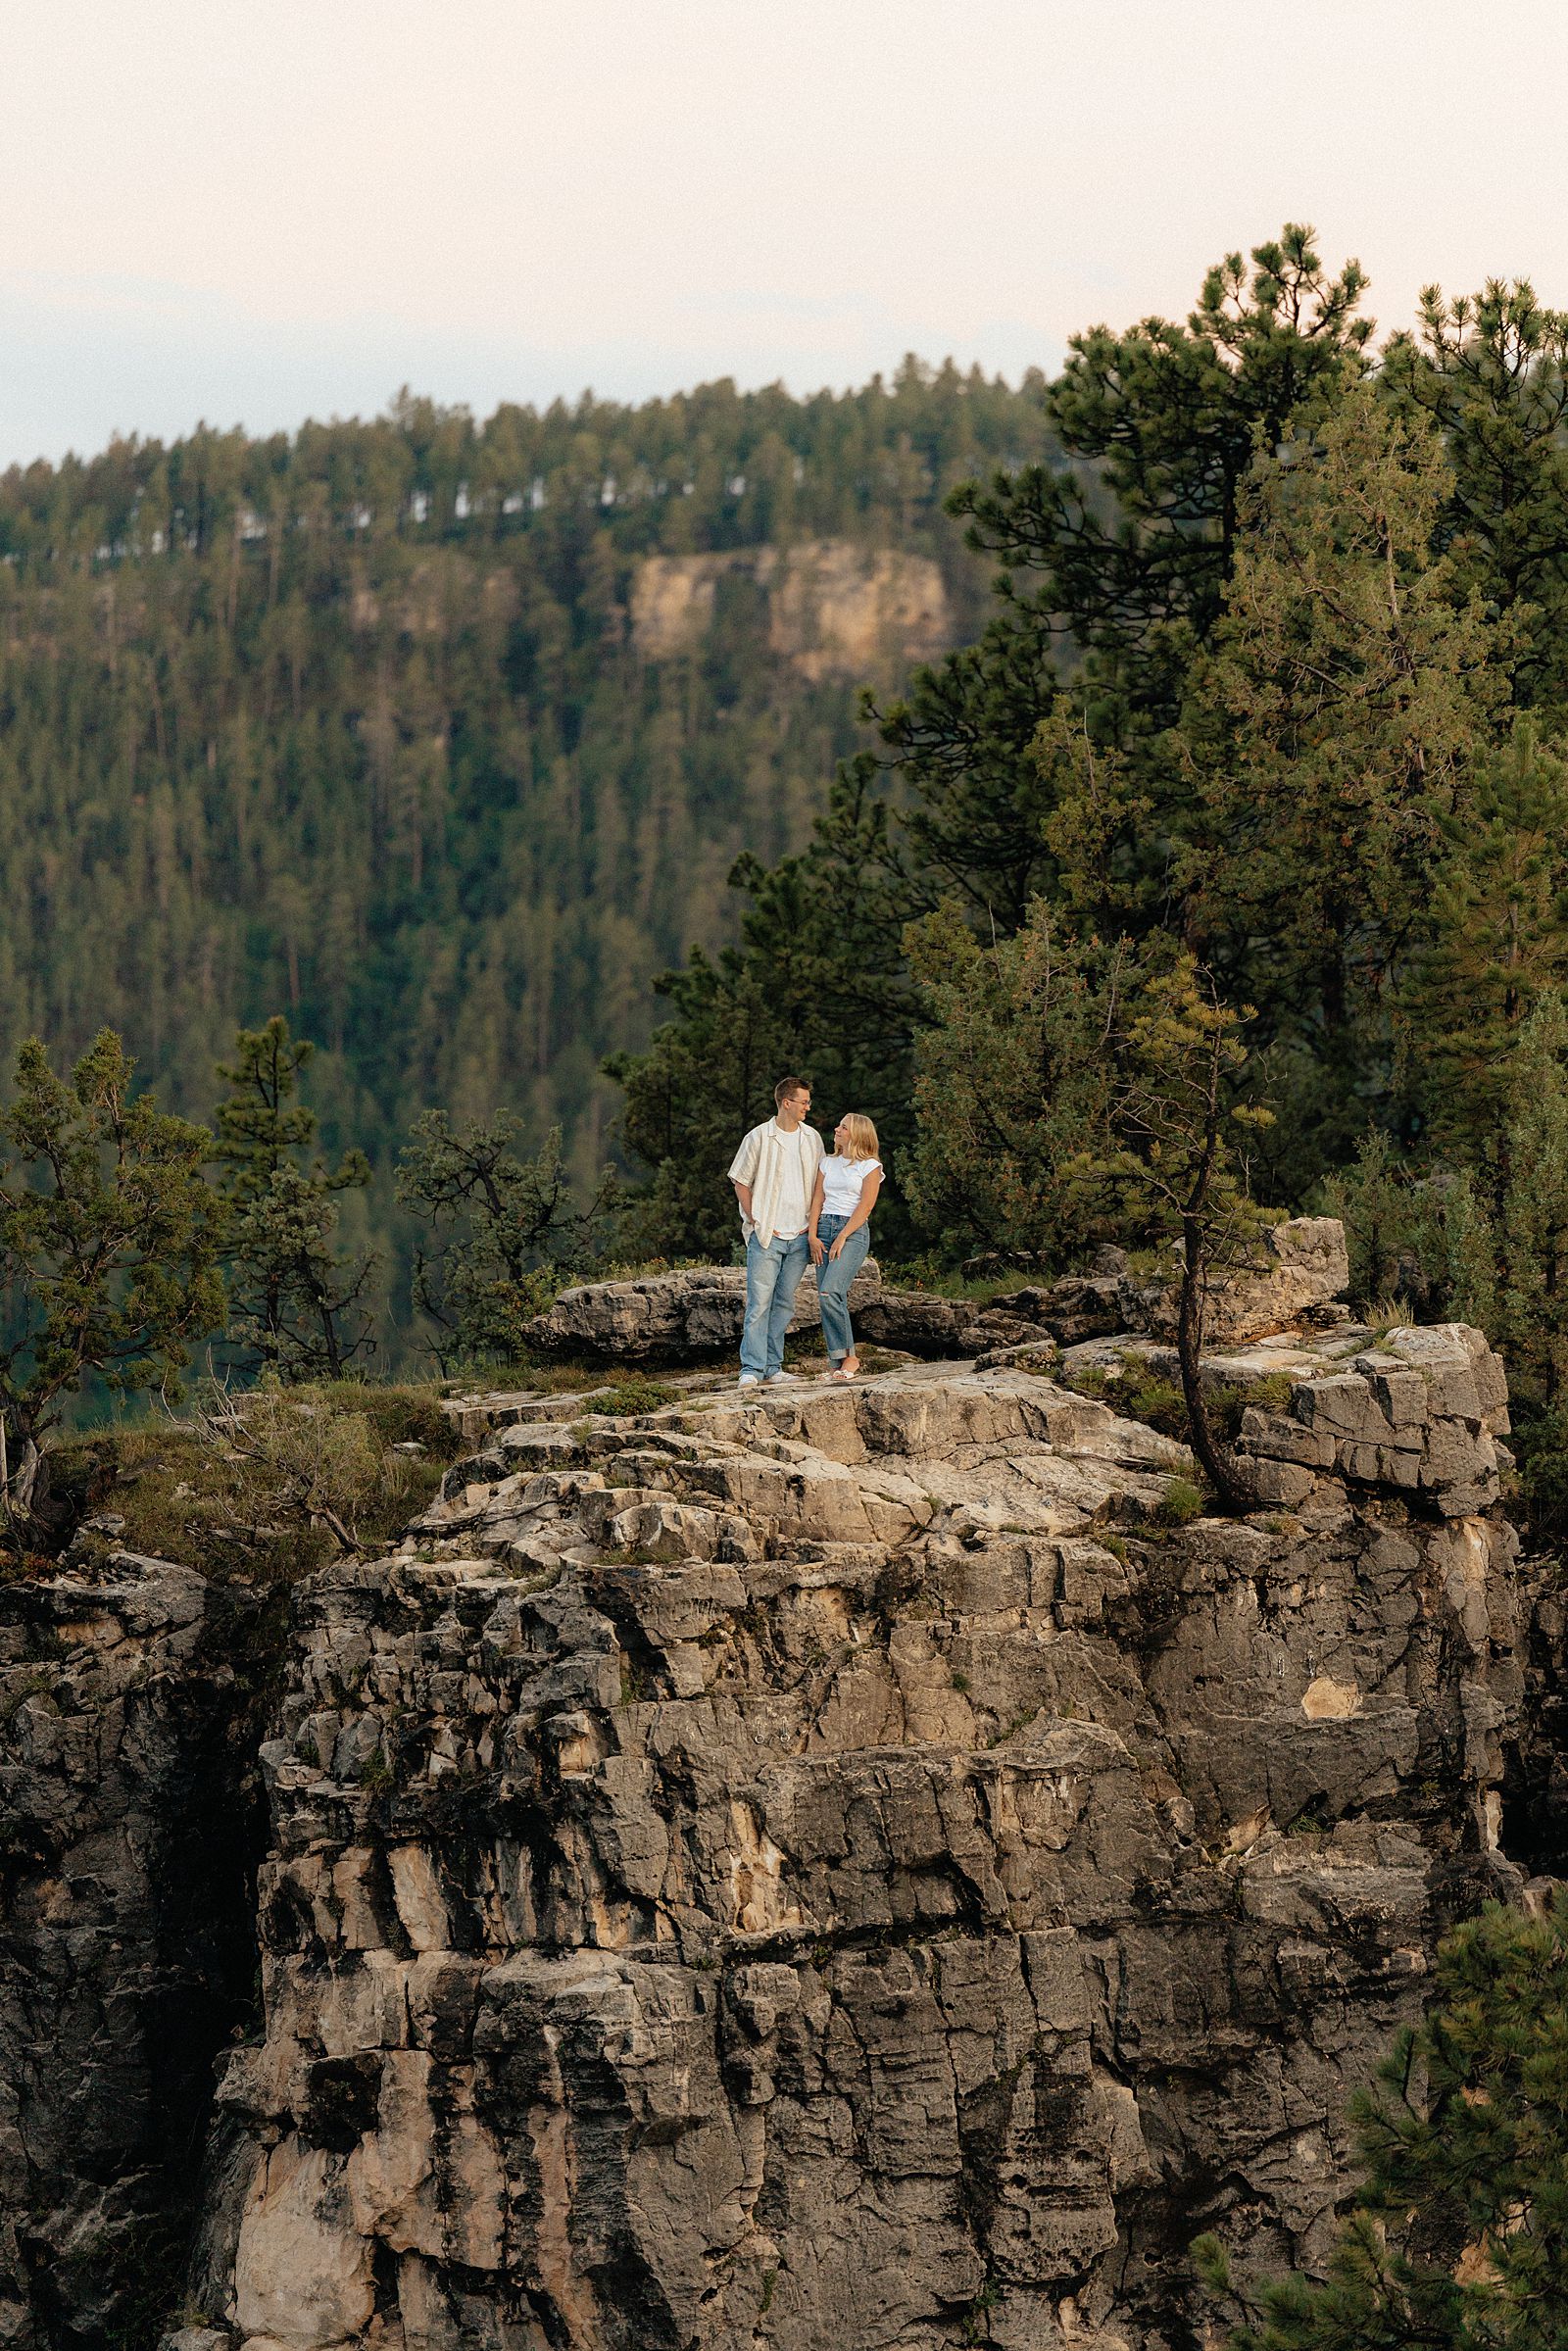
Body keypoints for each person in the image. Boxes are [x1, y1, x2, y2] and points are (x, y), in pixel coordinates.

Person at [727, 1077, 824, 1389]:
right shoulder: (758, 1137)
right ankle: (751, 1369)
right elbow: (739, 1178)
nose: (808, 1107)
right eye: (804, 1102)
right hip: (767, 1234)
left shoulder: (812, 1138)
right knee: (759, 1304)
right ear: (786, 1103)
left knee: (784, 1303)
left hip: (800, 1233)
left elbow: (820, 1184)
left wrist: (815, 1226)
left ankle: (772, 1367)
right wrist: (754, 1216)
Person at [808, 1113, 882, 1381]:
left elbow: (866, 1206)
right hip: (823, 1230)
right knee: (826, 1297)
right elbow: (817, 1199)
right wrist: (813, 1236)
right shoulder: (827, 1162)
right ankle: (836, 1363)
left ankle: (850, 1357)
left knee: (830, 1291)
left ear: (857, 1134)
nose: (837, 1129)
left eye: (843, 1127)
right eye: (839, 1125)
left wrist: (842, 1237)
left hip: (852, 1233)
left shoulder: (870, 1166)